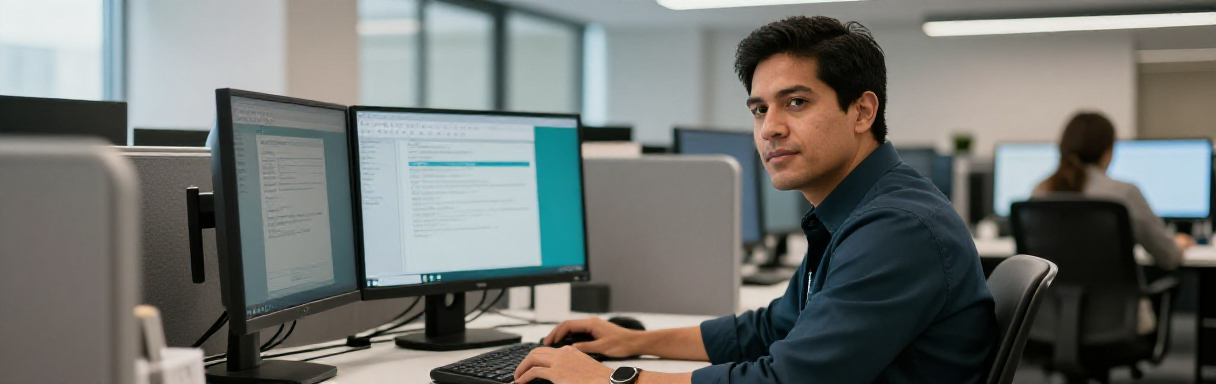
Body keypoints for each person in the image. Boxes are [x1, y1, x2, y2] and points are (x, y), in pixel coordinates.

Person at [512, 16, 997, 384]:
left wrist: (611, 379)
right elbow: (771, 329)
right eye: (760, 109)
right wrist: (633, 342)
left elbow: (785, 379)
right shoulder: (858, 209)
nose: (770, 128)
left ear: (862, 111)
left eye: (796, 102)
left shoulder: (897, 227)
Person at [1032, 112, 1196, 334]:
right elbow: (1168, 257)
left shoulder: (1040, 192)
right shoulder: (1124, 193)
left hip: (1053, 322)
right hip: (1117, 325)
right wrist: (1178, 243)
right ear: (1108, 152)